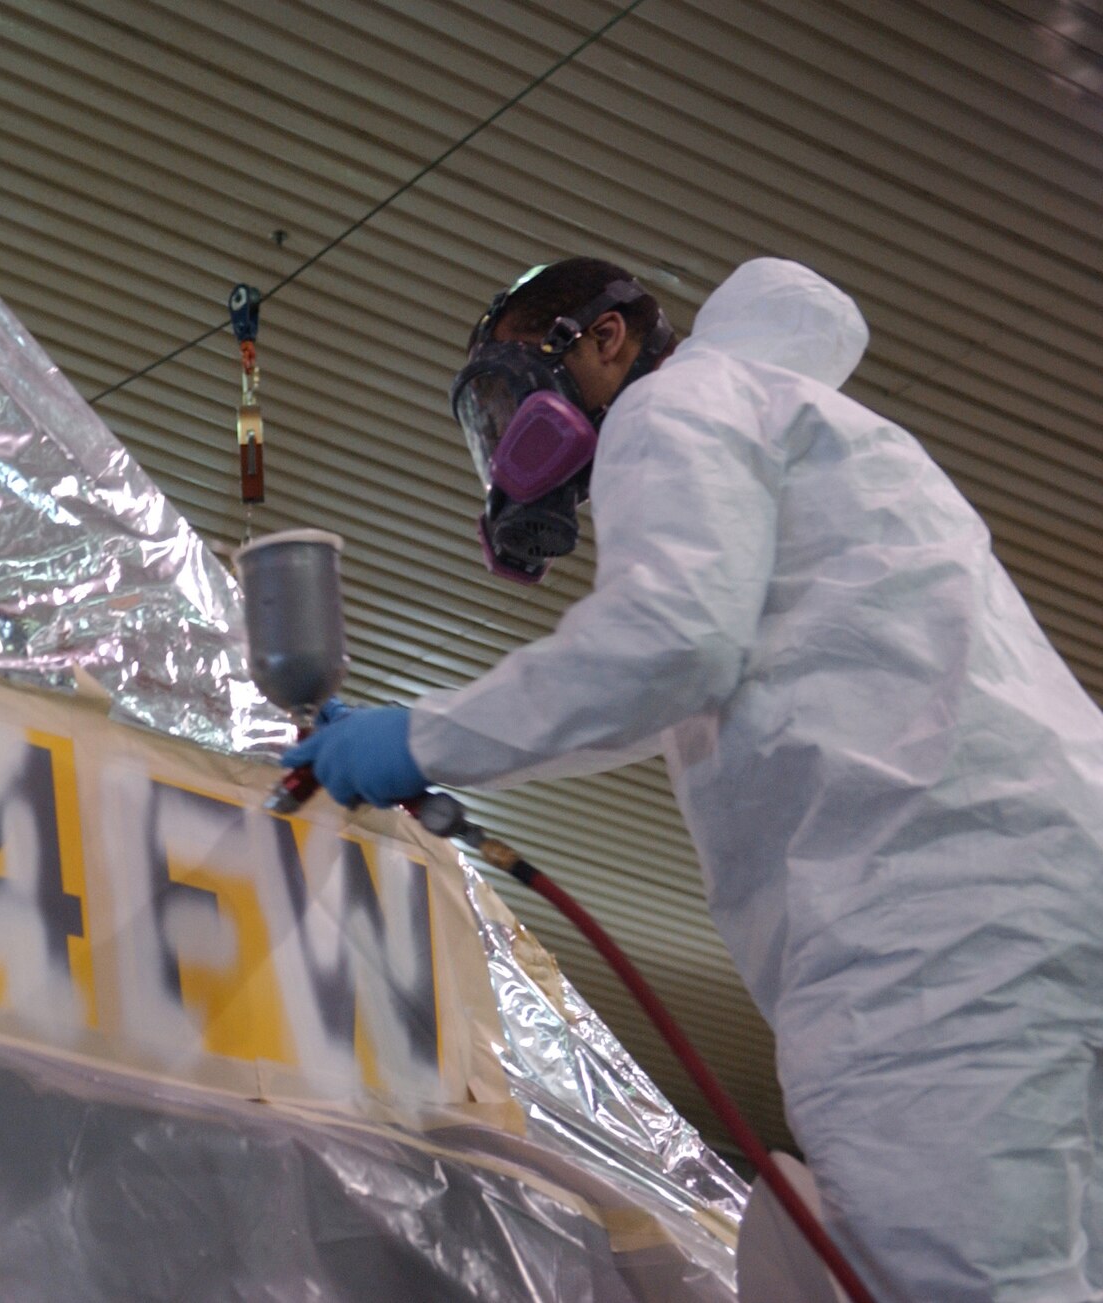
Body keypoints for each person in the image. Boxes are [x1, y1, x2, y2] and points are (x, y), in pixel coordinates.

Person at [284, 256, 1103, 1301]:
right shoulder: (808, 422)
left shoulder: (667, 410)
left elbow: (666, 644)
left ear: (603, 340)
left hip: (927, 923)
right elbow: (680, 671)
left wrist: (421, 737)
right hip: (1050, 881)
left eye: (505, 390)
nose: (505, 434)